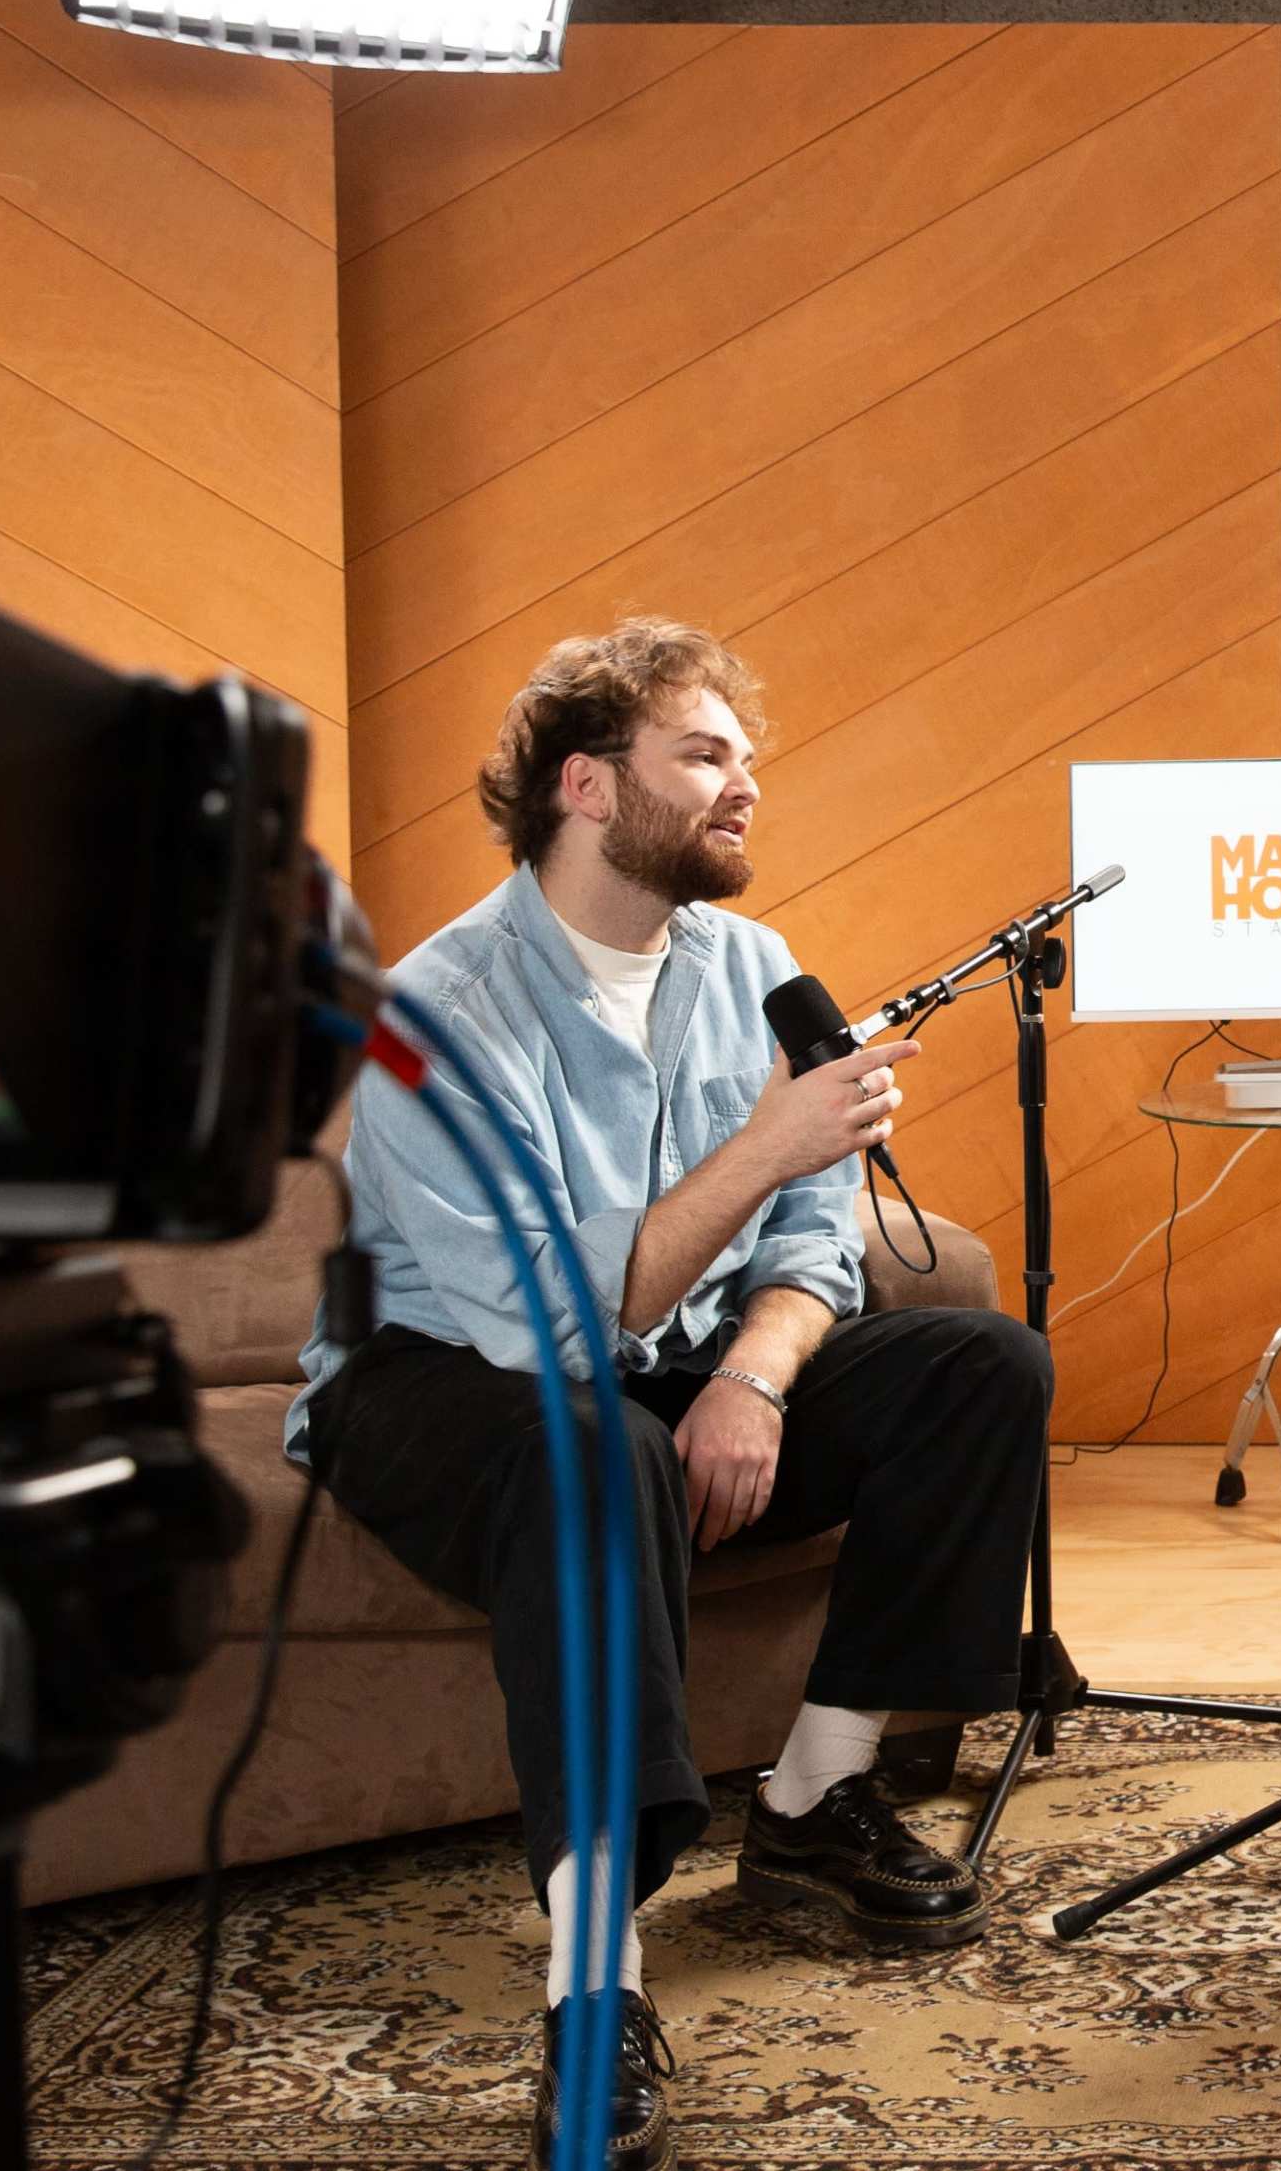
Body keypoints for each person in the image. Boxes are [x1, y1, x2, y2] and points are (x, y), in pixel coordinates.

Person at [289, 619, 1051, 2171]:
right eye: (705, 754)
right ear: (587, 785)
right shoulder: (434, 1013)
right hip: (439, 1372)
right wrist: (771, 1141)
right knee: (599, 1446)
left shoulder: (752, 968)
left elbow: (814, 1238)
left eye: (745, 757)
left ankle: (815, 1795)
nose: (744, 784)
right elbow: (546, 1319)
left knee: (984, 1364)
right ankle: (596, 1975)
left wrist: (757, 1378)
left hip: (667, 1359)